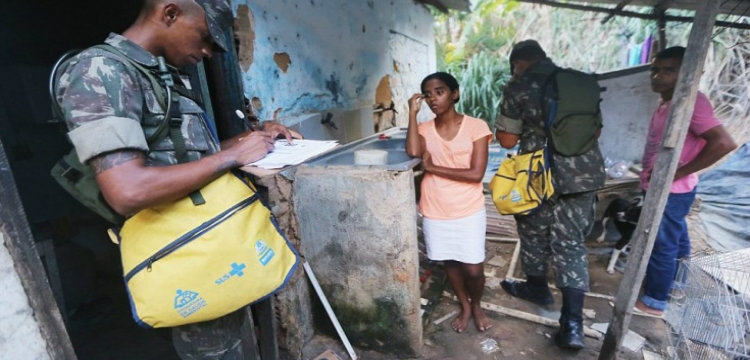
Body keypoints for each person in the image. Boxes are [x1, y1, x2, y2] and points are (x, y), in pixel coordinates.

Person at [54, 0, 299, 358]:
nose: (207, 53)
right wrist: (231, 156)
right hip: (185, 253)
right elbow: (127, 189)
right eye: (203, 38)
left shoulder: (158, 73)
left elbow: (187, 156)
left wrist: (254, 141)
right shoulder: (100, 71)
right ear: (169, 13)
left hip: (214, 243)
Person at [494, 40, 605, 350]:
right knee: (570, 243)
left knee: (532, 231)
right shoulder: (581, 82)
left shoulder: (519, 86)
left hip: (537, 177)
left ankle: (538, 288)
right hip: (583, 173)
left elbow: (506, 140)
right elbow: (595, 131)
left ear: (518, 63)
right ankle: (572, 325)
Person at [634, 46, 736, 317]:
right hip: (672, 187)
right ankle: (677, 283)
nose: (658, 76)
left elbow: (724, 142)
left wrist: (678, 172)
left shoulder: (691, 102)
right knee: (676, 236)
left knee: (661, 243)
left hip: (672, 189)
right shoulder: (670, 101)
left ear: (687, 73)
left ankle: (655, 301)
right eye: (655, 69)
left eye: (668, 70)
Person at [406, 72, 493, 333]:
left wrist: (433, 167)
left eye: (440, 91)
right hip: (435, 208)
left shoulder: (476, 126)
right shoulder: (423, 129)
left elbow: (476, 174)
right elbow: (412, 152)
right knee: (450, 262)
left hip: (468, 208)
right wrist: (412, 113)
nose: (433, 98)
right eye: (428, 94)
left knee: (474, 268)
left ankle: (477, 304)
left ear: (454, 93)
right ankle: (465, 306)